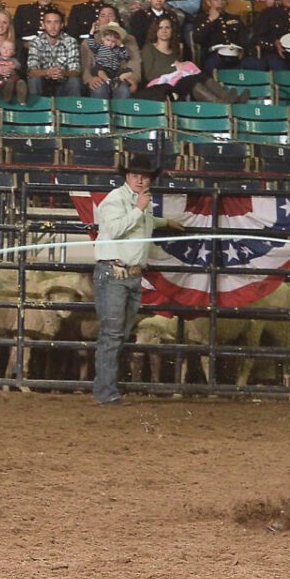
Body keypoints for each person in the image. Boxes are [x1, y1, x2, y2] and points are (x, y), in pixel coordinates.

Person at [91, 153, 183, 405]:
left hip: (128, 275)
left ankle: (105, 389)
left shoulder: (140, 202)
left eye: (144, 176)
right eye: (135, 175)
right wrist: (140, 208)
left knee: (117, 334)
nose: (140, 179)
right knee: (113, 334)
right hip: (114, 273)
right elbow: (114, 229)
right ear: (127, 177)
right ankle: (106, 392)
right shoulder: (116, 199)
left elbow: (144, 222)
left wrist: (164, 221)